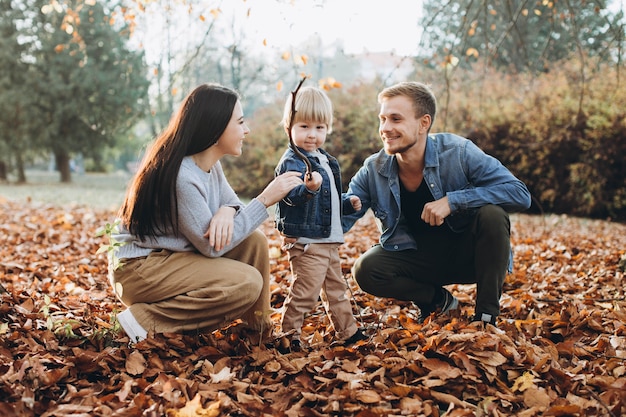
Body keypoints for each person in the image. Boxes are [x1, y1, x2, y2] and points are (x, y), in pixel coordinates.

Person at [107, 83, 303, 342]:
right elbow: (211, 247)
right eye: (240, 122)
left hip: (171, 256)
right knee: (246, 284)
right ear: (216, 127)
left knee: (254, 242)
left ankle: (259, 334)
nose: (247, 130)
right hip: (139, 269)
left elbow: (234, 204)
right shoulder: (182, 176)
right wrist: (266, 198)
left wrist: (225, 210)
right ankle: (144, 320)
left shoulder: (210, 165)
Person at [342, 81, 532, 326]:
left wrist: (454, 201)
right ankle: (436, 300)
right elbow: (345, 213)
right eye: (382, 119)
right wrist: (303, 226)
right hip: (416, 260)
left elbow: (519, 193)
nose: (385, 128)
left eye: (396, 119)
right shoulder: (374, 168)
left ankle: (486, 318)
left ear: (424, 123)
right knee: (366, 269)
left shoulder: (458, 152)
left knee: (493, 215)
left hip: (471, 258)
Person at [274, 86, 367, 351]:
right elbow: (290, 196)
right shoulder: (293, 161)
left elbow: (330, 201)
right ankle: (287, 335)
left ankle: (348, 332)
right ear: (289, 126)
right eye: (304, 126)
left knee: (336, 289)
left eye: (320, 127)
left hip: (327, 239)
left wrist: (347, 203)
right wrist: (308, 188)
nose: (312, 135)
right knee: (305, 292)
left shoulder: (326, 160)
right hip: (307, 242)